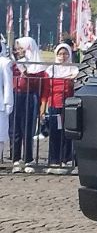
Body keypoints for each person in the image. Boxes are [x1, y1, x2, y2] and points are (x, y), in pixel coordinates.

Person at [11, 37, 44, 173]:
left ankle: (28, 158)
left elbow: (40, 83)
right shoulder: (13, 64)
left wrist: (29, 74)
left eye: (21, 48)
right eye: (17, 48)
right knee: (15, 129)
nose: (19, 51)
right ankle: (15, 159)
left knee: (28, 128)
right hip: (16, 95)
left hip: (30, 96)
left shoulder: (37, 65)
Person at [44, 43, 78, 174]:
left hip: (68, 105)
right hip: (54, 105)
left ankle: (66, 158)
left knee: (67, 133)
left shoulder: (74, 69)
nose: (62, 57)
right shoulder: (51, 70)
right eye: (60, 54)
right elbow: (47, 88)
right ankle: (54, 160)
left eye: (65, 54)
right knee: (54, 133)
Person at [0, 39, 11, 168]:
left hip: (1, 104)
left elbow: (8, 84)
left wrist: (9, 102)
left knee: (0, 135)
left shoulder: (4, 63)